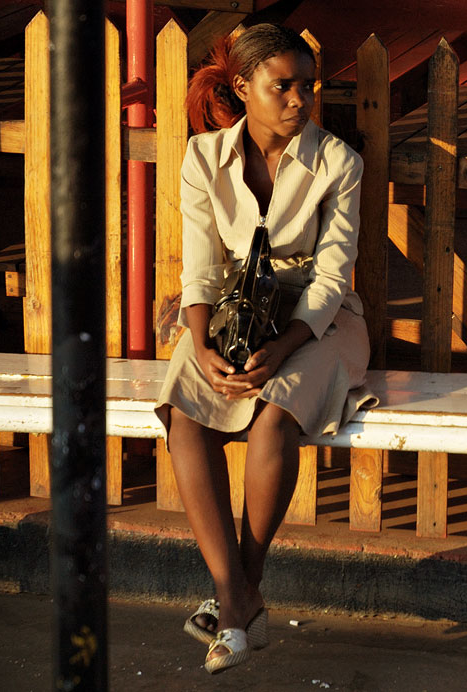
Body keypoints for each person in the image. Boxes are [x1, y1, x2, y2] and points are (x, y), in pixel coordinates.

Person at [154, 23, 372, 674]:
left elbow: (332, 278)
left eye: (308, 86)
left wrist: (282, 351)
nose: (300, 99)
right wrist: (200, 342)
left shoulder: (338, 162)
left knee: (274, 419)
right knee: (184, 416)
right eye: (284, 86)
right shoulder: (203, 159)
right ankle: (236, 599)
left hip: (320, 324)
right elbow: (199, 268)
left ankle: (233, 603)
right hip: (231, 317)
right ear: (244, 87)